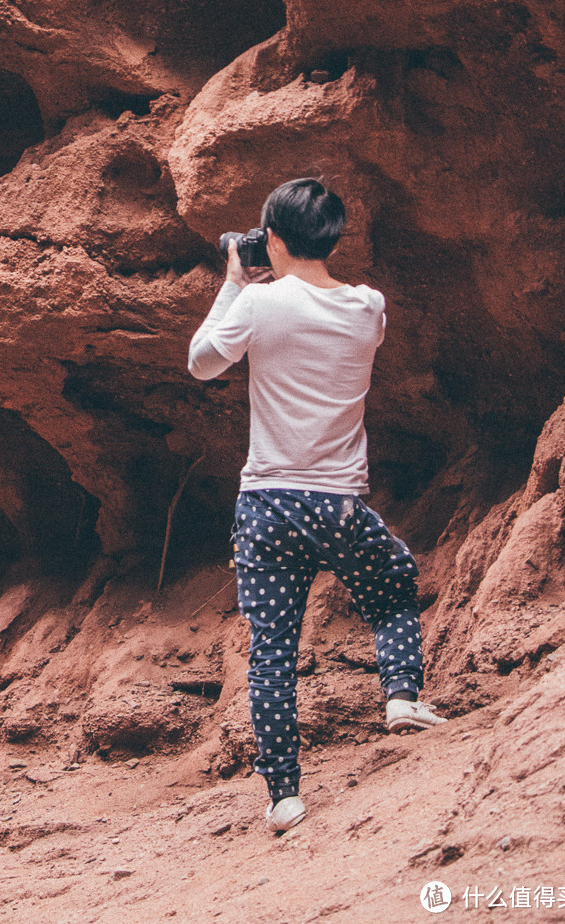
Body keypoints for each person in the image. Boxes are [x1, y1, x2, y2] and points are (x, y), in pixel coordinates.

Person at [187, 177, 444, 835]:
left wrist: (235, 283)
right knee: (390, 588)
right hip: (338, 504)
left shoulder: (262, 304)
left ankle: (284, 799)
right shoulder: (368, 307)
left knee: (271, 652)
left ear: (271, 238)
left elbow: (201, 363)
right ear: (333, 238)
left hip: (268, 505)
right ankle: (401, 696)